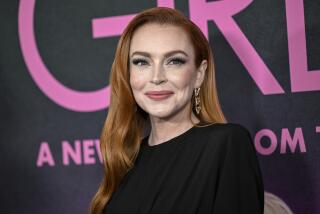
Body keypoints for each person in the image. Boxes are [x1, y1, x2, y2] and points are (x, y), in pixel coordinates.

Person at [90, 7, 264, 214]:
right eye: (141, 62)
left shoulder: (226, 144)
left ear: (199, 74)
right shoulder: (126, 159)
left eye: (174, 61)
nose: (156, 77)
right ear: (128, 74)